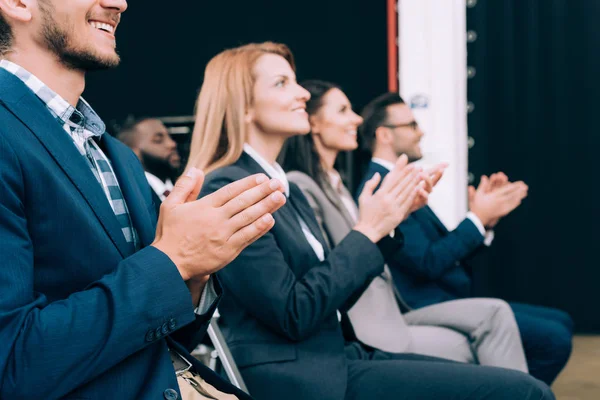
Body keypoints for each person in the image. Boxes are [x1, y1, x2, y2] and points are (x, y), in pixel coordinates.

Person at [188, 41, 553, 400]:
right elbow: (293, 313)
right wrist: (369, 229)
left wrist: (390, 221)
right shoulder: (230, 185)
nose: (301, 93)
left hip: (340, 357)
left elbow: (331, 295)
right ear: (243, 106)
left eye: (295, 80)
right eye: (282, 83)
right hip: (303, 378)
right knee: (525, 392)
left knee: (515, 386)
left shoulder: (284, 187)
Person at [0, 1, 287, 399]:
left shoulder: (117, 156)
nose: (119, 2)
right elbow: (11, 362)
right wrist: (174, 260)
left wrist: (195, 274)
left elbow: (166, 333)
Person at [281, 79, 528, 371]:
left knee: (501, 322)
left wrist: (400, 217)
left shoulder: (338, 187)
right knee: (494, 335)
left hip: (394, 311)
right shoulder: (305, 187)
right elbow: (333, 266)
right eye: (344, 110)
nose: (357, 120)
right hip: (368, 324)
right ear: (315, 124)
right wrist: (477, 218)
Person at [355, 91, 573, 385]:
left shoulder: (395, 180)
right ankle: (516, 390)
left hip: (446, 296)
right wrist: (477, 219)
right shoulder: (382, 187)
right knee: (554, 339)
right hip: (424, 305)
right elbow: (427, 262)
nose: (421, 131)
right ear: (384, 135)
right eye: (411, 125)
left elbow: (433, 253)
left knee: (561, 322)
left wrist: (484, 222)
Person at [117, 117, 182, 202]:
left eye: (170, 137)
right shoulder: (129, 199)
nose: (172, 144)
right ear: (131, 152)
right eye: (158, 140)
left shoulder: (189, 187)